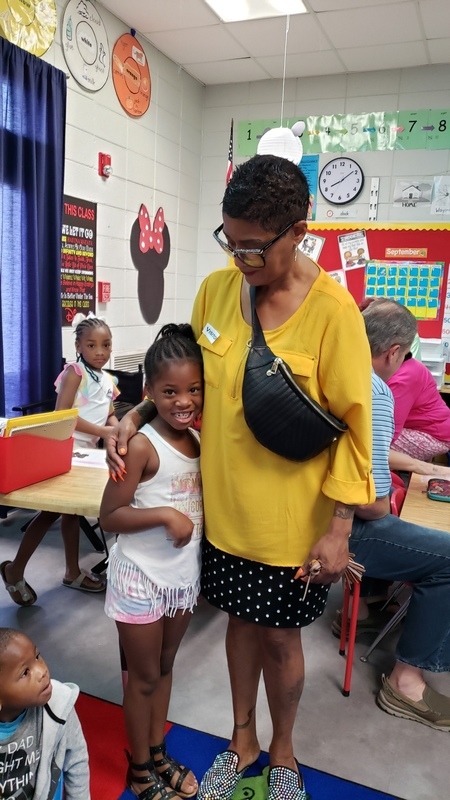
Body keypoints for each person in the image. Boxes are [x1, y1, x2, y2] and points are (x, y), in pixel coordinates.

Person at [107, 155, 374, 800]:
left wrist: (339, 529)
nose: (243, 261)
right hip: (221, 518)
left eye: (257, 248)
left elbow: (356, 431)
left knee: (282, 639)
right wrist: (135, 415)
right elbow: (185, 381)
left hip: (291, 526)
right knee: (237, 628)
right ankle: (242, 739)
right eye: (232, 241)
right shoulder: (216, 290)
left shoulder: (333, 314)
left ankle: (282, 753)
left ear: (298, 230)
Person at [100, 324, 203, 800]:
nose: (184, 401)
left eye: (193, 390)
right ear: (149, 394)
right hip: (141, 578)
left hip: (180, 582)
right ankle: (139, 769)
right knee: (141, 678)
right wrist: (164, 514)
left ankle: (157, 751)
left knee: (164, 669)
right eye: (169, 392)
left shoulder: (199, 443)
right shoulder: (142, 445)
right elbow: (110, 516)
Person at [338, 299, 450, 729]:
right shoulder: (376, 391)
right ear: (394, 352)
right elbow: (373, 505)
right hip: (344, 529)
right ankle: (406, 682)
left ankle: (365, 610)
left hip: (299, 519)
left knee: (405, 524)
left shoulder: (322, 372)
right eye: (404, 357)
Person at [1, 315, 119, 606]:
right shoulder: (75, 372)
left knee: (71, 513)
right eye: (92, 345)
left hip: (88, 456)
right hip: (64, 450)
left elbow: (110, 413)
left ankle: (71, 572)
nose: (100, 351)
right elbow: (63, 416)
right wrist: (103, 430)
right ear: (79, 345)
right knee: (54, 511)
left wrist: (115, 430)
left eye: (106, 345)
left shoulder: (107, 379)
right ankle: (16, 570)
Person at [0, 627, 90, 799]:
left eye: (37, 656)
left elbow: (77, 761)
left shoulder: (60, 703)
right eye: (25, 672)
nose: (42, 671)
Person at [387, 354, 450, 461]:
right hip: (432, 428)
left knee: (365, 444)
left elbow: (389, 430)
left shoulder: (403, 378)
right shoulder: (409, 364)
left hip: (433, 435)